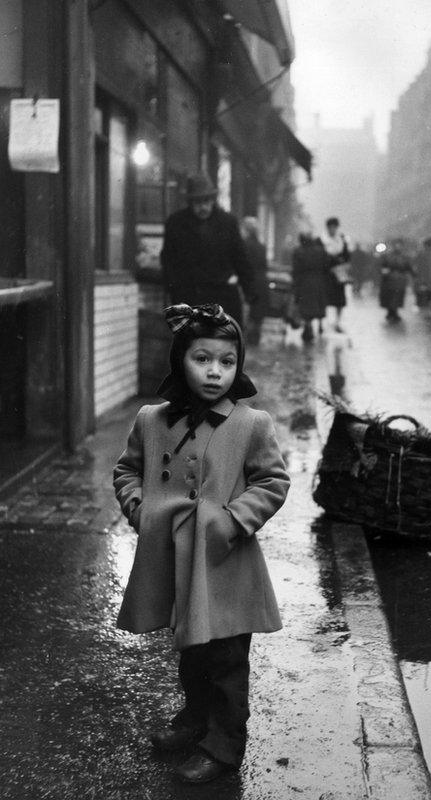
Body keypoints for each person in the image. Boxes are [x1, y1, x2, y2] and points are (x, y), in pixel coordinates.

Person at [113, 302, 289, 784]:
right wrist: (139, 508)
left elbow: (272, 482)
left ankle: (223, 745)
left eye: (227, 362)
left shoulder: (252, 424)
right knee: (191, 650)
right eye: (202, 359)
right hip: (174, 560)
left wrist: (233, 521)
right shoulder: (151, 420)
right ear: (180, 361)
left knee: (227, 658)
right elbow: (127, 471)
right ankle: (193, 722)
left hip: (225, 562)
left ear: (238, 365)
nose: (215, 372)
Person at [161, 173, 255, 326]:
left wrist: (249, 290)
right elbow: (168, 261)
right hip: (189, 299)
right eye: (197, 202)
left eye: (206, 201)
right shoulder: (176, 224)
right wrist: (174, 292)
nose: (202, 207)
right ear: (190, 203)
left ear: (213, 200)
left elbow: (240, 258)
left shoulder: (228, 223)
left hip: (222, 299)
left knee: (226, 344)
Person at [291, 232, 328, 342]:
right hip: (318, 281)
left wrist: (295, 282)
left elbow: (296, 269)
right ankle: (318, 325)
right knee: (317, 305)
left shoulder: (298, 252)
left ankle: (308, 326)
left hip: (304, 282)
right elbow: (326, 266)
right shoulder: (321, 251)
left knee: (306, 306)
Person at [240, 216, 269, 345]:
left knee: (247, 310)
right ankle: (255, 336)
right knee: (257, 312)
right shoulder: (261, 246)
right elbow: (264, 265)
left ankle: (246, 338)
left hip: (249, 281)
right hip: (261, 281)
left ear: (246, 230)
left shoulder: (243, 245)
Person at [321, 216, 350, 332]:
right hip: (326, 274)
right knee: (324, 299)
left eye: (334, 227)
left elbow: (347, 256)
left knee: (339, 300)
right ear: (327, 228)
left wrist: (343, 264)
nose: (332, 230)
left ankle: (337, 321)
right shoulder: (321, 240)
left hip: (338, 275)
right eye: (330, 227)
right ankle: (323, 321)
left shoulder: (342, 240)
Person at [378, 237, 413, 322]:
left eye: (399, 245)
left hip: (400, 280)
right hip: (390, 280)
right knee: (390, 297)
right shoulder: (387, 256)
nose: (398, 246)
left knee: (398, 297)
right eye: (396, 245)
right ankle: (391, 312)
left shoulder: (404, 257)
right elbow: (383, 266)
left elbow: (408, 267)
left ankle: (395, 312)